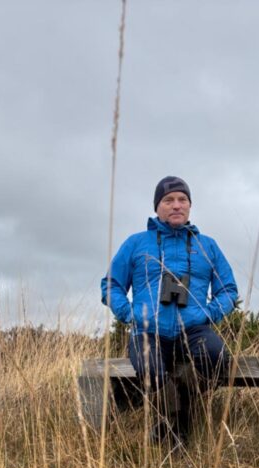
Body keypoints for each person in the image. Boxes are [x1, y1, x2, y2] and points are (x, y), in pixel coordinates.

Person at [101, 176, 239, 445]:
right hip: (148, 330)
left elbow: (229, 290)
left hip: (194, 328)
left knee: (217, 356)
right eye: (168, 200)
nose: (176, 205)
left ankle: (173, 423)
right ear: (157, 207)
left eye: (182, 200)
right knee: (149, 366)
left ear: (189, 206)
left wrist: (209, 314)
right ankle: (176, 429)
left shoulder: (207, 245)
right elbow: (111, 285)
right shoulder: (136, 243)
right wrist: (130, 314)